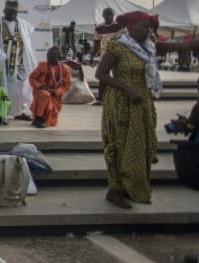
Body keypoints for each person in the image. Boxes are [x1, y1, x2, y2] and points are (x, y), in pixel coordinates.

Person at [96, 11, 199, 209]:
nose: (148, 31)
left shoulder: (150, 46)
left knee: (140, 146)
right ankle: (115, 190)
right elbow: (101, 74)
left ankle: (132, 188)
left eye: (150, 27)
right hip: (121, 102)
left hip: (141, 101)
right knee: (121, 144)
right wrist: (126, 88)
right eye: (144, 26)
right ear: (132, 27)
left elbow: (183, 45)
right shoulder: (118, 46)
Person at [0, 0, 36, 120]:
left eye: (14, 11)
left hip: (18, 62)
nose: (12, 13)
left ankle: (18, 112)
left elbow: (26, 43)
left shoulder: (24, 25)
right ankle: (0, 112)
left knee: (19, 88)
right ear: (4, 10)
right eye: (9, 11)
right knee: (2, 86)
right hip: (2, 62)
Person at [29, 47, 72, 128]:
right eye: (48, 56)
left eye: (52, 56)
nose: (49, 58)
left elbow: (67, 85)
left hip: (55, 96)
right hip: (41, 92)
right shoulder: (42, 66)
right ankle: (38, 119)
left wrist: (56, 92)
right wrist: (41, 86)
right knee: (44, 94)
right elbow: (32, 78)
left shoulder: (65, 68)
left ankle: (45, 119)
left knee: (52, 122)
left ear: (59, 57)